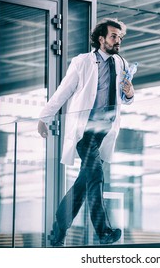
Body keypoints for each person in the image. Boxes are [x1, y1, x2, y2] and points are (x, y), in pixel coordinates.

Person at [37, 18, 135, 246]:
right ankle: (104, 233)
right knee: (97, 177)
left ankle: (58, 230)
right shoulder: (82, 62)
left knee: (84, 183)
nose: (118, 40)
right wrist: (45, 116)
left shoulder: (121, 63)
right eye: (113, 36)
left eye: (120, 37)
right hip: (85, 132)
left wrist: (129, 93)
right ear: (101, 39)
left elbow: (126, 99)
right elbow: (64, 91)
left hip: (105, 132)